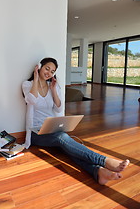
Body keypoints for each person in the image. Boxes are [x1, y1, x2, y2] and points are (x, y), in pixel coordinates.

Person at [22, 57, 129, 185]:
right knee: (62, 138)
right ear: (39, 67)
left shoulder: (52, 86)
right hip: (35, 133)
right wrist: (35, 78)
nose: (49, 73)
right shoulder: (27, 84)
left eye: (52, 71)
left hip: (50, 128)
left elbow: (58, 108)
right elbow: (32, 100)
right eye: (47, 68)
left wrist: (54, 90)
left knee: (67, 147)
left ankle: (99, 172)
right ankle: (104, 161)